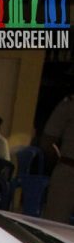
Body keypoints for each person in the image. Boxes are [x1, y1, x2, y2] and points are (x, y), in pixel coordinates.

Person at [40, 92, 74, 224]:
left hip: (67, 169)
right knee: (54, 224)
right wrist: (60, 162)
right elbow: (48, 141)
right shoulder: (69, 105)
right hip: (68, 171)